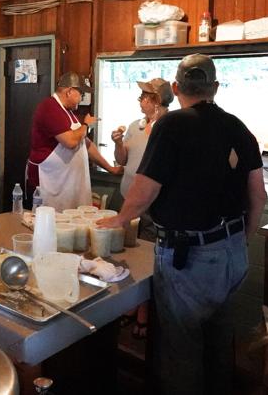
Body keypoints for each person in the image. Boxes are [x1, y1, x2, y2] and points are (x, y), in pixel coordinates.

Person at [97, 54, 267, 395]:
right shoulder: (239, 127)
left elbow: (145, 190)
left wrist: (118, 219)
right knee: (219, 343)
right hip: (232, 253)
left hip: (190, 257)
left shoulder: (172, 125)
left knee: (181, 350)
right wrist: (240, 239)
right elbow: (258, 196)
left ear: (176, 88)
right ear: (215, 88)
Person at [110, 77, 173, 340]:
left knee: (147, 258)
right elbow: (122, 160)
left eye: (144, 96)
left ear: (156, 101)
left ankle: (143, 312)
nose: (140, 100)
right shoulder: (137, 126)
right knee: (128, 255)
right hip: (128, 198)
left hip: (152, 203)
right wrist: (117, 143)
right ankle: (131, 304)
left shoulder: (169, 127)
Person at [26, 72, 121, 211]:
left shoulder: (68, 112)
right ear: (69, 91)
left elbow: (86, 145)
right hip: (49, 180)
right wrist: (86, 125)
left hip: (65, 183)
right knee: (47, 222)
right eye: (81, 93)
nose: (82, 98)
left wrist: (110, 169)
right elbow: (70, 142)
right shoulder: (49, 107)